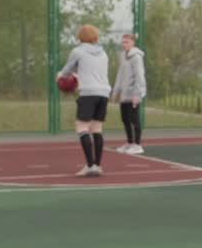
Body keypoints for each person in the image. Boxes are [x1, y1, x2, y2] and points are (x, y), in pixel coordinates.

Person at [57, 25, 112, 176]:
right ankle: (98, 165)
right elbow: (93, 71)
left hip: (88, 92)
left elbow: (67, 71)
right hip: (104, 92)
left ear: (80, 37)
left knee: (82, 127)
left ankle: (89, 165)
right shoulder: (103, 53)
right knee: (97, 128)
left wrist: (60, 76)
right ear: (95, 37)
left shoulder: (78, 51)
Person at [112, 34, 147, 154]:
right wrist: (116, 91)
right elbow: (120, 75)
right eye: (123, 42)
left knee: (134, 119)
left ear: (132, 43)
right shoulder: (122, 56)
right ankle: (129, 142)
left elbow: (139, 75)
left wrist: (138, 94)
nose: (124, 44)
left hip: (133, 94)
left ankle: (137, 145)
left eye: (127, 42)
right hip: (124, 94)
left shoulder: (136, 57)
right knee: (125, 119)